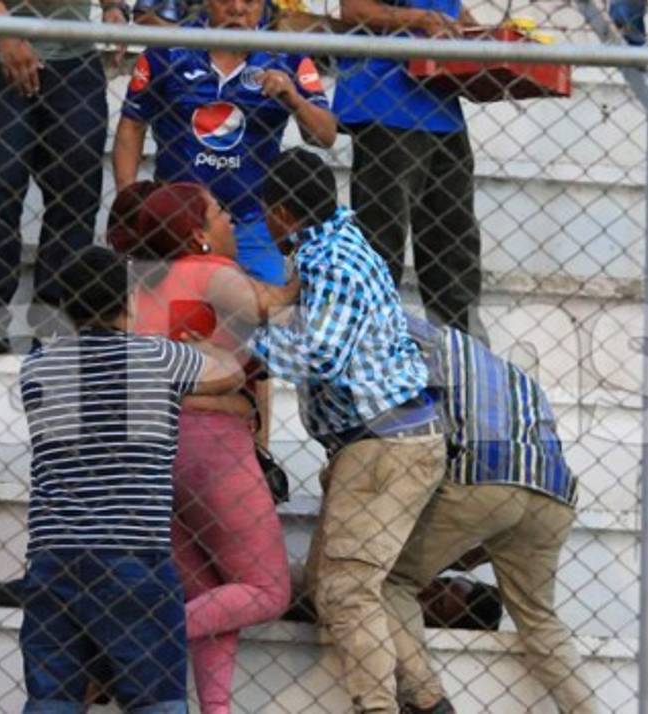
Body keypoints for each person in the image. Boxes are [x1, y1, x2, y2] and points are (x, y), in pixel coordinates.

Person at [255, 148, 445, 713]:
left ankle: (380, 707)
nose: (262, 220)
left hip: (385, 444)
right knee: (336, 582)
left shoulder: (328, 260)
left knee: (345, 591)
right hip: (381, 441)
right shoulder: (331, 244)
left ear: (284, 213)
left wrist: (242, 338)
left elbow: (322, 357)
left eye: (267, 210)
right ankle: (430, 705)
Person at [18, 245, 244, 713]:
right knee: (155, 698)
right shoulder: (158, 358)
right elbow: (230, 374)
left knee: (52, 697)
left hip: (54, 553)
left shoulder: (38, 366)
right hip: (133, 553)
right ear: (131, 302)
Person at [127, 181, 300, 714]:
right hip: (212, 447)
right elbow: (274, 310)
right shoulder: (209, 272)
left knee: (209, 591)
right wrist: (306, 265)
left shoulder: (141, 285)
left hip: (160, 448)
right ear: (198, 234)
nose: (231, 218)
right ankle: (125, 645)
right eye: (220, 212)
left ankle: (215, 709)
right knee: (268, 590)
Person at [383, 315, 597, 714]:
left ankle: (425, 697)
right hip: (555, 489)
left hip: (487, 473)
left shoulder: (417, 341)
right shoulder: (515, 376)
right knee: (538, 617)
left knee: (388, 577)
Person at [0, 0, 123, 354]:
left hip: (73, 51)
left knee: (77, 190)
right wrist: (5, 30)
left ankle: (57, 321)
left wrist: (114, 8)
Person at [113, 0, 336, 288]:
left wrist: (293, 100)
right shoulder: (167, 50)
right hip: (177, 223)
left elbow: (326, 135)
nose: (237, 8)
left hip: (253, 221)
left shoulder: (288, 56)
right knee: (171, 318)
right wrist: (128, 204)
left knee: (264, 320)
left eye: (250, 1)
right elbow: (132, 124)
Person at [332, 0, 486, 339]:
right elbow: (355, 10)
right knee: (381, 242)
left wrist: (481, 35)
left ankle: (461, 354)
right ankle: (372, 346)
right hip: (386, 98)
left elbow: (446, 11)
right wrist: (423, 20)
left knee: (454, 244)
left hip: (440, 104)